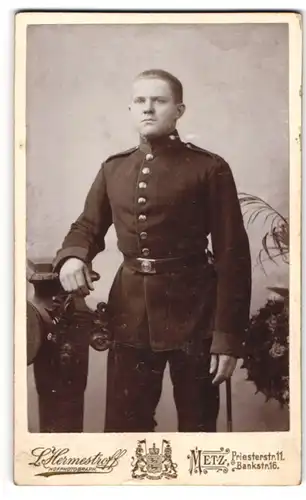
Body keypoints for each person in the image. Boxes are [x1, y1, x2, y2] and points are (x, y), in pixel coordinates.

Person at [53, 69, 252, 432]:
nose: (148, 108)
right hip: (130, 314)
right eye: (140, 101)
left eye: (159, 101)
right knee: (125, 427)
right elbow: (87, 227)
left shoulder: (209, 168)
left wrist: (227, 339)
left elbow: (232, 255)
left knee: (198, 430)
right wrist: (72, 255)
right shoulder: (114, 169)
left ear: (179, 109)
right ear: (130, 109)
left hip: (195, 313)